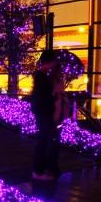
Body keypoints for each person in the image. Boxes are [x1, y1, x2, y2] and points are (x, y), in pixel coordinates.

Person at [30, 50, 64, 181]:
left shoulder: (42, 76)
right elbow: (42, 97)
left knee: (45, 141)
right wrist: (54, 96)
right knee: (44, 141)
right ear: (49, 62)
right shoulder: (41, 77)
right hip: (44, 112)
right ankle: (38, 171)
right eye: (53, 61)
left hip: (43, 112)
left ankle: (40, 170)